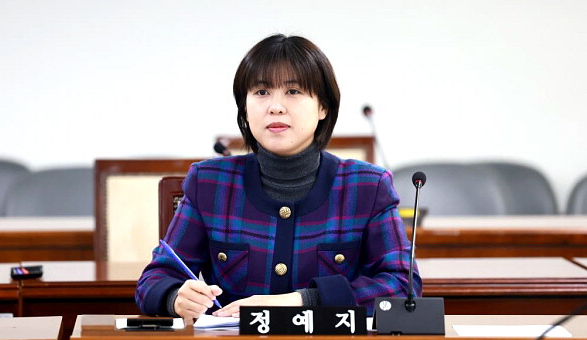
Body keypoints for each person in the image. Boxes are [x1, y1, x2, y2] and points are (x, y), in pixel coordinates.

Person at [135, 34, 421, 320]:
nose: (275, 106)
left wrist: (305, 300)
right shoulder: (209, 183)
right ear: (245, 107)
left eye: (293, 91)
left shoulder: (367, 187)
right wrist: (175, 297)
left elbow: (403, 286)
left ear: (323, 107)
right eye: (262, 92)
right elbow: (154, 280)